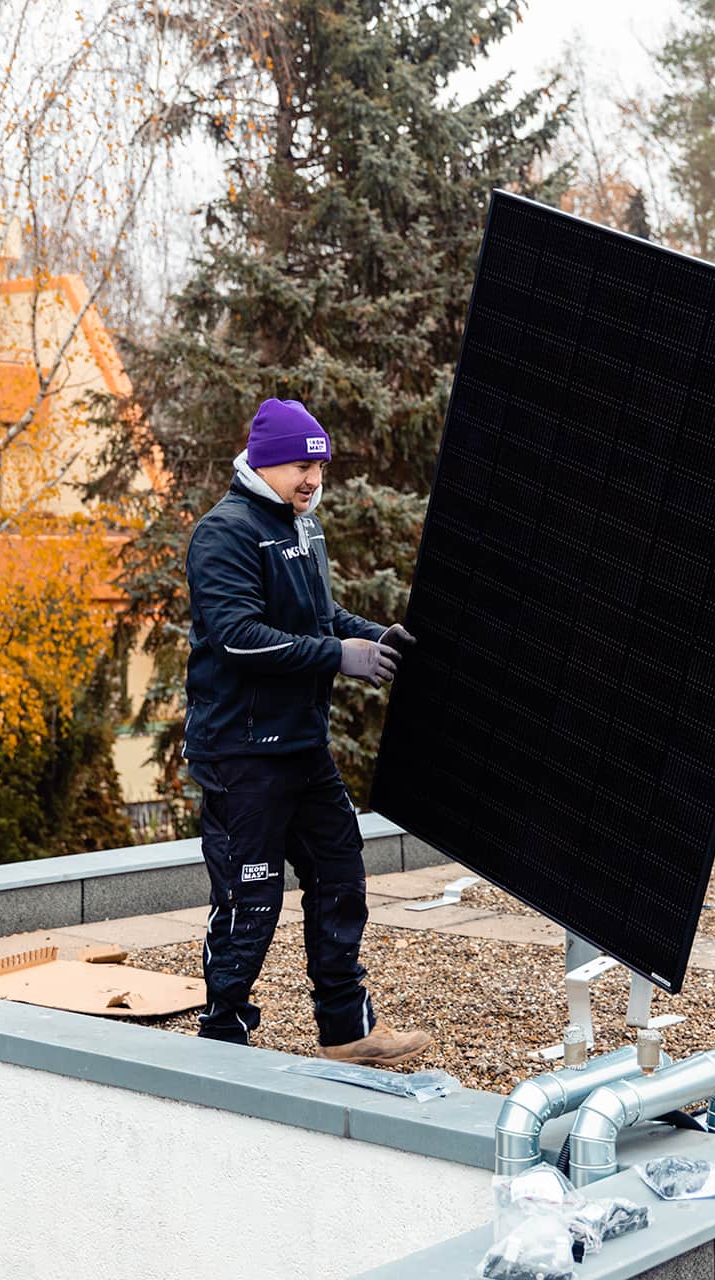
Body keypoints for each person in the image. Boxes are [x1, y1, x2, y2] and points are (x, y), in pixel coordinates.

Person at [182, 397, 432, 1066]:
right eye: (301, 466)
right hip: (240, 753)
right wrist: (339, 656)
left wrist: (373, 635)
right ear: (264, 464)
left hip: (300, 746)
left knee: (341, 875)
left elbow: (321, 614)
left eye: (319, 468)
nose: (313, 480)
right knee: (249, 900)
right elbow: (237, 637)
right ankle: (222, 1040)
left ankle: (347, 1034)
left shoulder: (303, 526)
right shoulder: (225, 532)